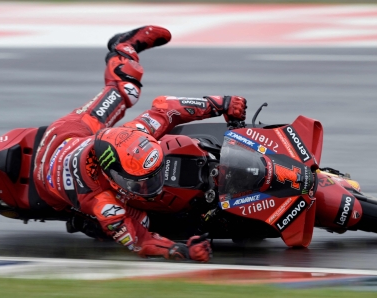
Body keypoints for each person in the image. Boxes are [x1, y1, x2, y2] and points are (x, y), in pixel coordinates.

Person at [33, 25, 247, 262]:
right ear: (112, 175)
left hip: (71, 134)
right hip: (51, 180)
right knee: (141, 222)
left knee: (127, 90)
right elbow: (141, 241)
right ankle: (84, 223)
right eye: (140, 182)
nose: (153, 185)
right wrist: (182, 251)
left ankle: (123, 46)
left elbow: (167, 108)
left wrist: (221, 103)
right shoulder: (102, 201)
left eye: (152, 176)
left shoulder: (134, 132)